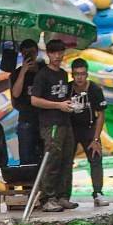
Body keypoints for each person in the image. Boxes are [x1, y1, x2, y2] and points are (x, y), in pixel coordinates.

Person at [30, 38, 77, 212]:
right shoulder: (43, 75)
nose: (58, 56)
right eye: (54, 53)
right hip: (51, 124)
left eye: (60, 52)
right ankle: (47, 198)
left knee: (67, 159)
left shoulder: (64, 74)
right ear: (48, 54)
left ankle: (63, 196)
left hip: (66, 121)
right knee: (52, 160)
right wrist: (58, 105)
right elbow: (34, 100)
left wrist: (70, 104)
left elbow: (63, 97)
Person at [69, 58, 108, 208]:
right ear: (72, 75)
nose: (80, 77)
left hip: (89, 128)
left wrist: (96, 138)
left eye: (83, 74)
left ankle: (98, 193)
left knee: (96, 158)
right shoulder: (67, 88)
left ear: (87, 74)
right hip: (71, 129)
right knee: (66, 163)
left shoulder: (95, 89)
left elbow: (101, 115)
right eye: (77, 74)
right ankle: (64, 196)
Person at [10, 39, 44, 165]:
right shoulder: (17, 73)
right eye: (26, 53)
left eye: (32, 53)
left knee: (44, 158)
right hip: (26, 119)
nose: (29, 56)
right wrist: (23, 71)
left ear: (37, 53)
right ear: (21, 54)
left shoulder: (44, 69)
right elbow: (16, 93)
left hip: (43, 119)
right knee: (26, 158)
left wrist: (37, 70)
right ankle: (28, 184)